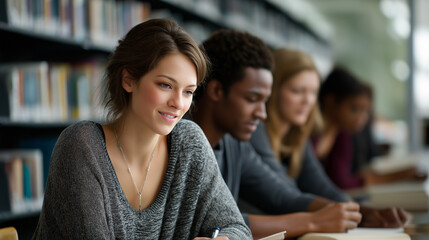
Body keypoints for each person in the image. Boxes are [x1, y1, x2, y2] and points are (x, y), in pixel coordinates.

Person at [33, 19, 251, 240]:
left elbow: (237, 228)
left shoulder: (189, 142)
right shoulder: (82, 147)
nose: (178, 103)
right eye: (165, 85)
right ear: (128, 80)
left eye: (188, 91)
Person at [191, 30, 362, 239]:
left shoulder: (234, 143)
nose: (262, 114)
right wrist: (314, 221)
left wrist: (354, 213)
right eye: (252, 99)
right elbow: (217, 223)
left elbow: (282, 196)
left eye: (264, 101)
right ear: (216, 90)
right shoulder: (185, 143)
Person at [249, 49, 409, 230]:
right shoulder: (254, 131)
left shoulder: (298, 136)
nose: (308, 101)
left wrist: (361, 211)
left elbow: (321, 185)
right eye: (297, 91)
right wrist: (359, 213)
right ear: (271, 90)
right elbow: (284, 196)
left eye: (312, 92)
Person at [313, 67, 421, 189]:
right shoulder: (311, 133)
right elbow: (341, 182)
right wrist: (398, 176)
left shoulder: (342, 134)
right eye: (354, 109)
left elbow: (340, 179)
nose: (362, 118)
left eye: (366, 112)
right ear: (330, 102)